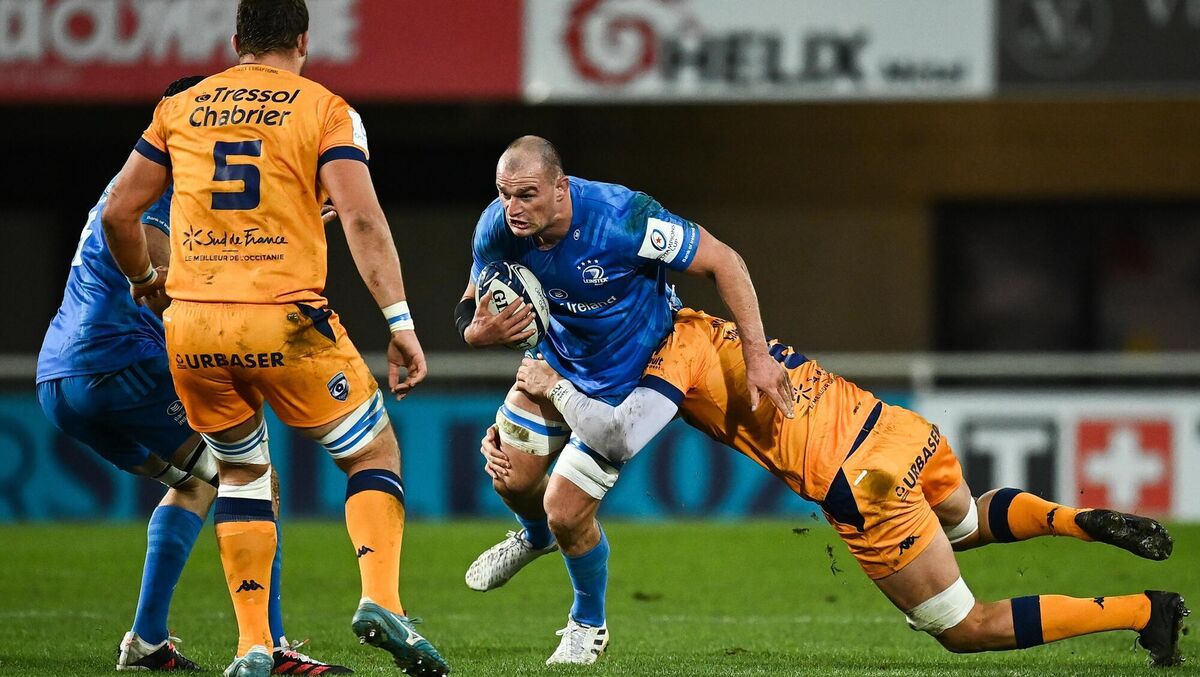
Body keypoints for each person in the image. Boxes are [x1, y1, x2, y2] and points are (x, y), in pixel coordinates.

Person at [504, 307, 1188, 667]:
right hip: (897, 427)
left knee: (964, 627)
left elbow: (617, 433)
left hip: (864, 483)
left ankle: (1139, 611)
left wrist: (549, 392)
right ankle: (1074, 518)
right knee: (964, 525)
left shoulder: (668, 357)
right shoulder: (704, 322)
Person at [97, 2, 448, 675]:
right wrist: (399, 323)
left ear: (236, 43)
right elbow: (362, 219)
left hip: (193, 327)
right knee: (373, 448)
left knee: (241, 472)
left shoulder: (183, 107)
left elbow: (120, 210)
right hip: (284, 319)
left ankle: (253, 643)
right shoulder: (325, 108)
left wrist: (145, 276)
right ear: (304, 41)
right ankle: (382, 599)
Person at [36, 75, 348, 675]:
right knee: (253, 480)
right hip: (121, 363)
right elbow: (159, 261)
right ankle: (272, 647)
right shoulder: (168, 179)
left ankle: (147, 641)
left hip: (61, 380)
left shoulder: (134, 180)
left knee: (201, 480)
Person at [457, 135, 792, 664]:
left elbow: (725, 261)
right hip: (558, 363)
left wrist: (758, 355)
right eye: (504, 195)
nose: (513, 209)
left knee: (568, 511)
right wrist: (480, 335)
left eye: (526, 195)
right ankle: (534, 536)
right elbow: (470, 310)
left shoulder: (624, 218)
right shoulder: (497, 227)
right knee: (511, 476)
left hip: (636, 370)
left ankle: (587, 622)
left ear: (560, 188)